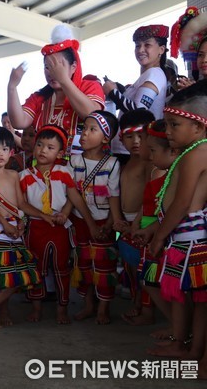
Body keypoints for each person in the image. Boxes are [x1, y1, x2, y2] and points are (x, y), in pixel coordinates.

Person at [147, 81, 207, 368]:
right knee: (185, 296)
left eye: (174, 125)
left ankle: (193, 350)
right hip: (183, 239)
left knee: (198, 300)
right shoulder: (190, 152)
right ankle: (184, 343)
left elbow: (182, 204)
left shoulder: (198, 153)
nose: (167, 132)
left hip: (190, 238)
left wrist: (159, 236)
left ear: (198, 127)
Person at [20, 125, 99, 324]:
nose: (43, 150)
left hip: (59, 229)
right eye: (39, 145)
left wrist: (89, 223)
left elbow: (76, 199)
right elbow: (22, 205)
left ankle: (61, 309)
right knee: (36, 268)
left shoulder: (64, 172)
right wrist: (41, 216)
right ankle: (36, 308)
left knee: (61, 269)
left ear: (60, 152)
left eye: (50, 147)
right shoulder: (24, 175)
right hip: (37, 228)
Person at [0, 127, 46, 328]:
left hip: (15, 230)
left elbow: (21, 204)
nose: (0, 154)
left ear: (11, 152)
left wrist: (39, 216)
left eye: (5, 149)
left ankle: (3, 310)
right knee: (14, 276)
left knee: (9, 277)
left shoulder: (14, 174)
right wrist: (5, 223)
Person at [8, 25, 105, 157]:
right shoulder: (40, 97)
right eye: (47, 67)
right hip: (46, 170)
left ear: (73, 67)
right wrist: (12, 87)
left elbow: (92, 114)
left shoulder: (90, 86)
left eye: (58, 66)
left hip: (80, 169)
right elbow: (19, 122)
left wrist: (64, 80)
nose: (52, 72)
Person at [69, 111, 122, 325]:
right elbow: (71, 194)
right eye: (83, 129)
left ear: (106, 138)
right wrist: (89, 223)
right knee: (83, 264)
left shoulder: (112, 164)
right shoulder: (73, 161)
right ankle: (89, 304)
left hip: (103, 223)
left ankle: (103, 307)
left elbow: (114, 196)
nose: (84, 134)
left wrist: (111, 223)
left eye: (92, 130)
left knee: (104, 266)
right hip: (80, 221)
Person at [127, 120, 176, 330]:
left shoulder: (169, 173)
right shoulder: (157, 168)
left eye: (148, 144)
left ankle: (181, 330)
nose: (141, 144)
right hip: (151, 231)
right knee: (148, 278)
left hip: (164, 236)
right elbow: (148, 204)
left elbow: (170, 210)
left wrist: (154, 232)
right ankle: (179, 329)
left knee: (160, 282)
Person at [113, 110, 155, 321]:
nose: (136, 141)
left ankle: (147, 311)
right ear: (122, 138)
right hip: (127, 224)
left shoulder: (150, 163)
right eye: (130, 136)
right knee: (131, 269)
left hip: (142, 224)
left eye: (141, 135)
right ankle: (137, 303)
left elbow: (150, 197)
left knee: (145, 271)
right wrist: (119, 219)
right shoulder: (126, 163)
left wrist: (136, 224)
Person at [104, 24, 169, 158]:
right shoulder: (149, 75)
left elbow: (139, 111)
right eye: (137, 45)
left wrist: (113, 93)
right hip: (128, 148)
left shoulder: (154, 73)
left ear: (161, 49)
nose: (141, 50)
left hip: (134, 150)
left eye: (147, 45)